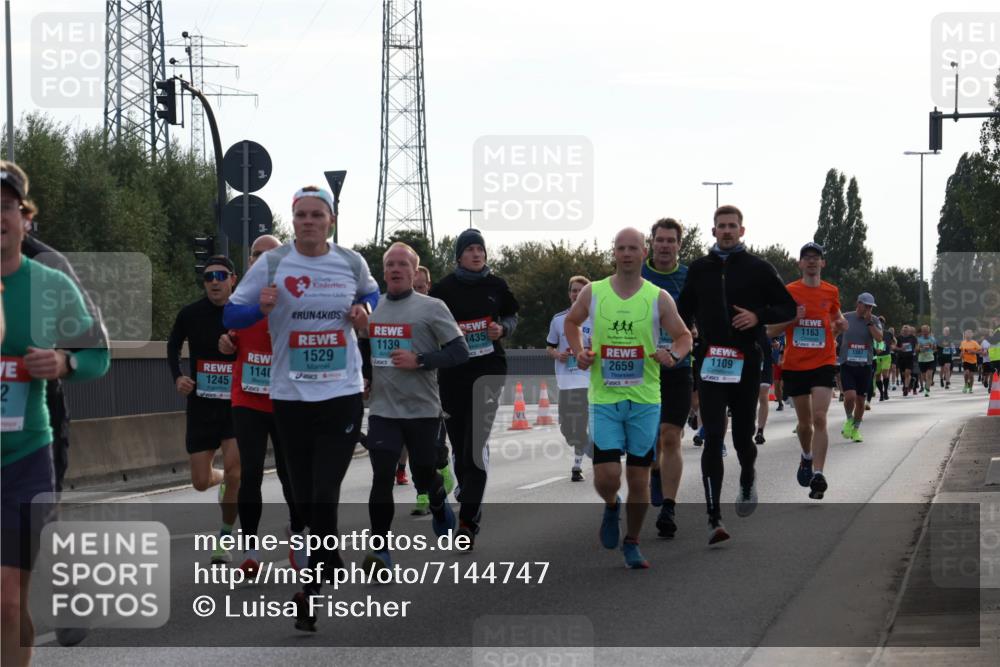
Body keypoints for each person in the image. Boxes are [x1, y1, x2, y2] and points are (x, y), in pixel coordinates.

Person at [225, 185, 379, 632]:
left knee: (324, 488)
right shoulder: (272, 264)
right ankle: (326, 558)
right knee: (304, 492)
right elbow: (231, 316)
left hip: (341, 393)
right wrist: (259, 308)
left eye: (316, 215)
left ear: (331, 220)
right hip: (289, 397)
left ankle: (312, 586)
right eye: (301, 215)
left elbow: (371, 295)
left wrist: (362, 310)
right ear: (292, 220)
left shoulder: (351, 262)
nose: (308, 221)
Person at [2, 163, 110, 666]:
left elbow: (94, 349)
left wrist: (64, 361)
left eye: (6, 206)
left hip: (31, 435)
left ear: (26, 217)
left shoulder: (49, 271)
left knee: (9, 594)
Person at [565, 227, 692, 568]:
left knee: (638, 479)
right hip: (605, 398)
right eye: (620, 248)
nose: (626, 253)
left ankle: (632, 541)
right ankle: (611, 506)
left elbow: (683, 336)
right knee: (607, 476)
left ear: (643, 252)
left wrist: (673, 355)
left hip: (645, 399)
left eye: (633, 248)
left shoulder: (658, 297)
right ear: (614, 253)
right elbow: (571, 323)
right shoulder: (594, 291)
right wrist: (579, 352)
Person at [677, 206, 797, 543]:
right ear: (713, 231)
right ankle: (714, 516)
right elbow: (682, 310)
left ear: (742, 231)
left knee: (743, 438)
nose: (727, 231)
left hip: (746, 361)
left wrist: (758, 316)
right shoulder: (700, 269)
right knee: (713, 436)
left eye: (732, 226)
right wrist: (686, 331)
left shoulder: (759, 268)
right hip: (711, 362)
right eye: (721, 226)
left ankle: (747, 476)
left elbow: (788, 307)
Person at [362, 242, 469, 570]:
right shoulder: (373, 307)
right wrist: (365, 377)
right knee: (382, 476)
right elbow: (364, 348)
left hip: (422, 410)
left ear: (414, 271)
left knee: (424, 476)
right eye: (390, 265)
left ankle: (437, 501)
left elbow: (459, 351)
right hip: (383, 410)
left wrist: (420, 360)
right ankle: (380, 551)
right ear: (383, 272)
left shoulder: (432, 307)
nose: (395, 269)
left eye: (402, 265)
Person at [217, 235, 304, 574]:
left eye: (271, 254)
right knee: (250, 473)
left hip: (285, 400)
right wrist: (226, 343)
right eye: (257, 254)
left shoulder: (295, 297)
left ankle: (299, 535)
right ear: (250, 260)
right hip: (248, 399)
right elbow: (230, 331)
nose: (263, 259)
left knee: (289, 474)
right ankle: (250, 551)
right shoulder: (243, 300)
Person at [430, 229, 519, 550]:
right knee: (459, 447)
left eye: (480, 249)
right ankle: (468, 492)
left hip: (489, 371)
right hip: (453, 375)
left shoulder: (496, 285)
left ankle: (467, 522)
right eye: (470, 249)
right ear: (459, 256)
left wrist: (502, 329)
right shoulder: (443, 290)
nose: (477, 254)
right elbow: (429, 325)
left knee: (474, 448)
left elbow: (511, 316)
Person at [167, 255, 242, 564]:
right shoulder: (190, 314)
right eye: (209, 276)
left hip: (236, 405)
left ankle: (224, 537)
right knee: (200, 482)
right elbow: (173, 345)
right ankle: (222, 478)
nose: (214, 282)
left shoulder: (243, 313)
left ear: (233, 280)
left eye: (221, 276)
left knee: (237, 472)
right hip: (201, 405)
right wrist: (178, 377)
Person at [767, 242, 847, 501]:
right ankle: (806, 456)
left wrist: (840, 325)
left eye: (816, 257)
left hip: (823, 362)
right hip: (795, 365)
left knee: (820, 417)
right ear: (800, 263)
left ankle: (818, 474)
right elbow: (770, 330)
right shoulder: (789, 291)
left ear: (823, 263)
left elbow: (835, 321)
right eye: (807, 257)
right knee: (805, 424)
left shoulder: (831, 291)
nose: (812, 261)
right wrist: (792, 318)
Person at [640, 218, 692, 538]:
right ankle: (655, 471)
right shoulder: (636, 276)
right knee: (649, 440)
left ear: (679, 245)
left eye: (671, 241)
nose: (664, 246)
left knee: (671, 435)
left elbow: (703, 313)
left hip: (678, 367)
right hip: (641, 371)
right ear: (652, 243)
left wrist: (694, 330)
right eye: (660, 240)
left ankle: (669, 508)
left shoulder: (688, 278)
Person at [409, 265, 456, 515]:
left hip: (434, 389)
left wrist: (423, 359)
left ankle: (444, 470)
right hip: (405, 391)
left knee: (433, 447)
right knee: (414, 448)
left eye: (421, 286)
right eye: (413, 286)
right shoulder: (396, 312)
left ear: (428, 286)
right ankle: (422, 494)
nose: (417, 291)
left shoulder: (437, 311)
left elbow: (454, 351)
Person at [545, 275, 593, 482]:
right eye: (574, 290)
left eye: (582, 291)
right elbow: (550, 347)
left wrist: (593, 350)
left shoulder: (597, 318)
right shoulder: (558, 320)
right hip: (565, 382)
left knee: (580, 424)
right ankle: (591, 447)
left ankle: (577, 466)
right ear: (569, 294)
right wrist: (558, 355)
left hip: (587, 380)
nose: (577, 294)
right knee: (566, 428)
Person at [836, 293, 883, 442]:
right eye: (866, 306)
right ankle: (849, 419)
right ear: (858, 303)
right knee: (850, 396)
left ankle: (856, 429)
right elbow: (834, 331)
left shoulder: (874, 320)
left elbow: (879, 338)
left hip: (865, 365)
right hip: (847, 363)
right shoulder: (846, 317)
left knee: (861, 400)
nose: (868, 309)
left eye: (871, 307)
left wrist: (869, 323)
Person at [894, 325, 918, 397]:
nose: (905, 332)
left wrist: (915, 350)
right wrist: (900, 349)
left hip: (910, 357)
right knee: (903, 374)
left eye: (906, 331)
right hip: (901, 358)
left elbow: (916, 345)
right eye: (904, 330)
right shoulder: (898, 338)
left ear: (909, 331)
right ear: (902, 331)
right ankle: (910, 381)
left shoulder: (913, 337)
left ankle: (906, 388)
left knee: (907, 373)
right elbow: (894, 347)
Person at [874, 317, 893, 401]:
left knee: (885, 374)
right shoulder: (873, 332)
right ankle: (881, 393)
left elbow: (893, 341)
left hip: (886, 356)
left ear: (884, 324)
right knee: (877, 376)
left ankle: (885, 392)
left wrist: (892, 346)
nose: (880, 324)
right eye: (879, 322)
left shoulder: (888, 333)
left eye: (882, 323)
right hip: (876, 357)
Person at [916, 325, 937, 398]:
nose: (925, 332)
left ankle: (927, 390)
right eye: (923, 331)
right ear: (922, 331)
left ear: (929, 331)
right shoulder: (919, 339)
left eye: (926, 331)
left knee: (929, 375)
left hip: (930, 359)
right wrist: (921, 349)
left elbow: (935, 349)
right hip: (922, 360)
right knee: (924, 377)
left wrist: (931, 347)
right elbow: (916, 350)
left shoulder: (932, 339)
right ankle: (927, 384)